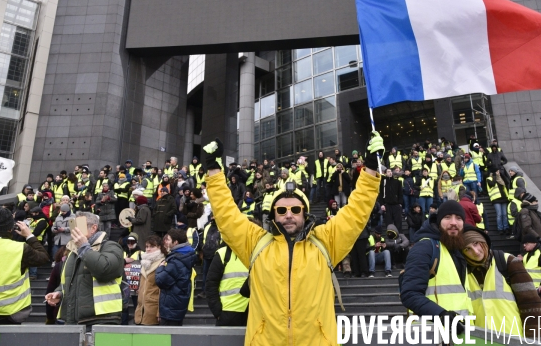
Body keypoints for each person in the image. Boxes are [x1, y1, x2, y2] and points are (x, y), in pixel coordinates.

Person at [202, 131, 382, 344]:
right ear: (273, 215)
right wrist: (213, 170)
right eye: (282, 210)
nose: (289, 215)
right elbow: (226, 213)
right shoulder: (256, 243)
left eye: (295, 209)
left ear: (305, 213)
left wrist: (370, 168)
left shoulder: (326, 241)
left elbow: (357, 211)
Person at [461, 225, 541, 337]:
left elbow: (531, 304)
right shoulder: (463, 272)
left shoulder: (507, 261)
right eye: (467, 249)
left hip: (511, 338)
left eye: (476, 243)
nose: (475, 252)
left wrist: (534, 340)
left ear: (483, 240)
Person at [45, 211, 125, 326]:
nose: (74, 230)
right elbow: (71, 282)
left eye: (79, 226)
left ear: (93, 228)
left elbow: (105, 270)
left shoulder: (110, 246)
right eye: (73, 226)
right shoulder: (72, 253)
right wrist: (59, 293)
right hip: (73, 321)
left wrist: (84, 247)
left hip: (102, 320)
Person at [400, 201, 472, 326]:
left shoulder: (457, 250)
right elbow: (409, 294)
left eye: (459, 218)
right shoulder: (425, 247)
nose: (454, 222)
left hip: (458, 333)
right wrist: (441, 315)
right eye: (447, 217)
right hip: (430, 334)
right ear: (438, 221)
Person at [0, 208, 50, 324]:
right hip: (13, 311)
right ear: (11, 229)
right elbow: (43, 258)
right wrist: (29, 236)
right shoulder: (20, 248)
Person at [155, 229, 196, 326]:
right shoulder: (184, 256)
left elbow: (160, 280)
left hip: (171, 308)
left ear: (176, 242)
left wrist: (160, 268)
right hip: (176, 305)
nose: (166, 242)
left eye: (168, 239)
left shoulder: (176, 261)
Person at [205, 241, 250, 326]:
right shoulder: (223, 253)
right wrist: (217, 312)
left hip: (252, 312)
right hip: (228, 312)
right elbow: (211, 285)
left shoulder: (256, 252)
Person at [134, 235, 166, 325]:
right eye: (147, 246)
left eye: (152, 246)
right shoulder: (145, 263)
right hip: (141, 311)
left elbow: (162, 291)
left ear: (159, 247)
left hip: (153, 310)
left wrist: (159, 312)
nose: (148, 249)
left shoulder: (163, 263)